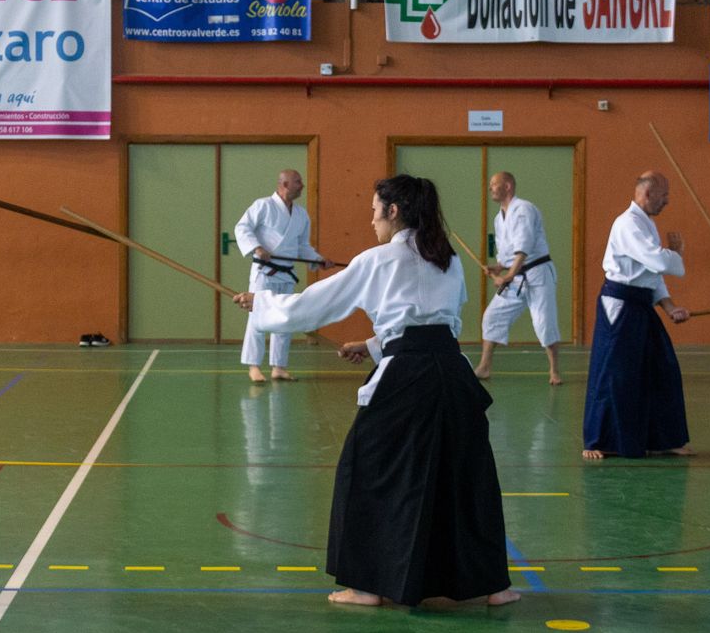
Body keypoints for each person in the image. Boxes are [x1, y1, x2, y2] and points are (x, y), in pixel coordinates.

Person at [235, 174, 519, 610]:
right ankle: (493, 585)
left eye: (374, 211)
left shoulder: (377, 260)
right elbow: (436, 322)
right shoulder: (447, 259)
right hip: (452, 375)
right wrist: (372, 345)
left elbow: (312, 306)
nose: (370, 220)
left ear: (393, 210)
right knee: (466, 475)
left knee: (366, 470)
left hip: (406, 380)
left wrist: (263, 303)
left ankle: (367, 586)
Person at [582, 171, 692, 461]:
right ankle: (599, 440)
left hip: (641, 305)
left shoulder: (647, 225)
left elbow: (652, 274)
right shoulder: (627, 224)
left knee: (662, 369)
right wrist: (676, 253)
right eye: (664, 196)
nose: (667, 202)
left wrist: (669, 307)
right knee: (615, 374)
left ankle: (662, 438)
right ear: (646, 194)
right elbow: (656, 259)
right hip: (620, 306)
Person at [234, 169, 336, 383]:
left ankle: (279, 367)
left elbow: (302, 246)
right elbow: (242, 228)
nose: (302, 185)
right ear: (285, 184)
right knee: (258, 317)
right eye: (298, 182)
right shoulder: (262, 205)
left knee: (285, 318)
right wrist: (257, 247)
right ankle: (254, 366)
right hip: (265, 272)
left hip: (286, 274)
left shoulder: (301, 214)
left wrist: (318, 260)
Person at [472, 172, 563, 385]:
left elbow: (524, 247)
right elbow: (509, 253)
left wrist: (508, 276)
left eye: (495, 184)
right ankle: (484, 367)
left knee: (544, 321)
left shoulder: (523, 210)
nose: (490, 188)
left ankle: (554, 371)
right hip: (517, 276)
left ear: (508, 186)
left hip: (538, 274)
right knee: (493, 316)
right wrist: (500, 266)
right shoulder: (498, 218)